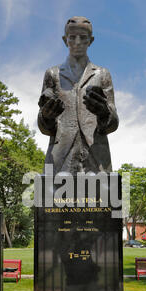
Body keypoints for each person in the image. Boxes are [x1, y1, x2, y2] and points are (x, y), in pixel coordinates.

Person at [38, 16, 119, 175]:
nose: (77, 42)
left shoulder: (102, 74)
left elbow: (113, 122)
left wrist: (104, 113)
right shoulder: (52, 74)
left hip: (96, 156)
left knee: (101, 199)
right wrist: (47, 116)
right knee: (56, 200)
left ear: (91, 40)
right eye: (72, 37)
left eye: (83, 38)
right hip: (60, 156)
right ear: (65, 40)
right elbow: (44, 127)